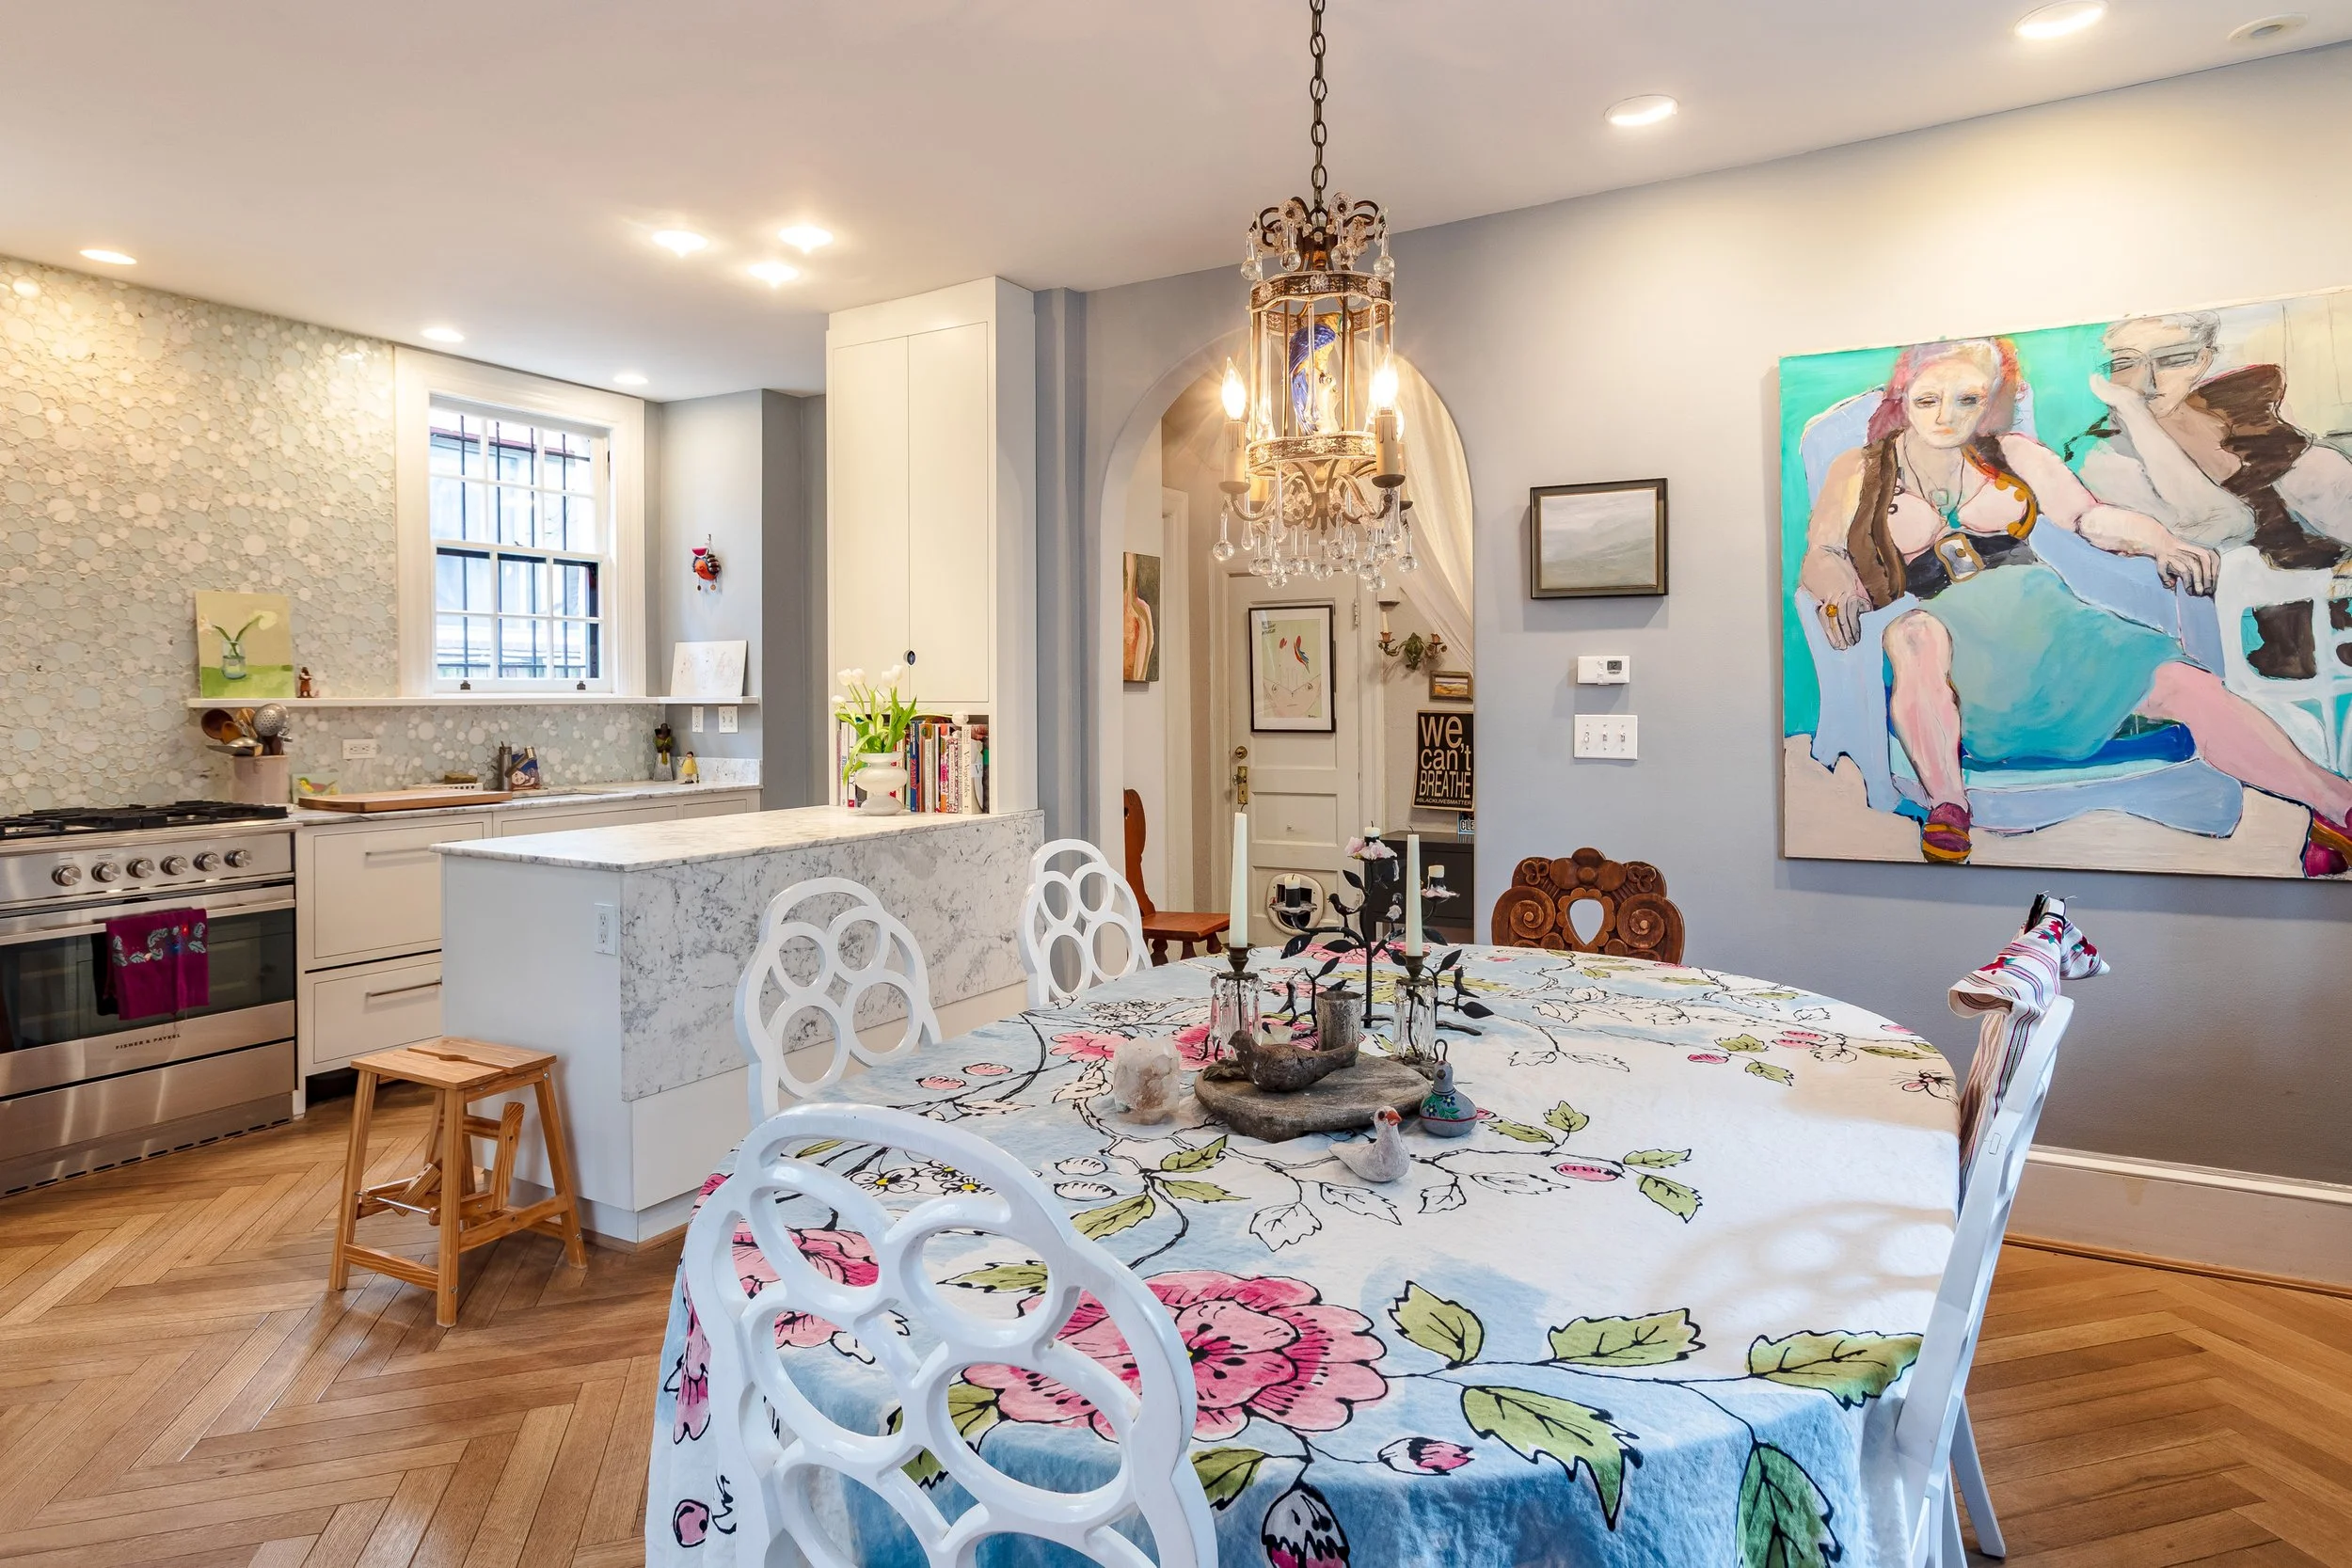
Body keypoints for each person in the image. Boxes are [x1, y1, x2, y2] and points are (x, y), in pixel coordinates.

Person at [1799, 338, 2352, 876]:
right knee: (1913, 631)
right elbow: (1821, 551)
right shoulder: (1862, 467)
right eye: (1928, 399)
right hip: (1947, 634)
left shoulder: (2011, 453)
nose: (1946, 415)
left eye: (1967, 399)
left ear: (1991, 398)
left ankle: (2335, 805)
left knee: (2185, 684)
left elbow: (2090, 518)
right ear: (1903, 396)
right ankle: (1949, 806)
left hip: (2047, 620)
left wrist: (2161, 539)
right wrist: (1840, 584)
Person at [2074, 311, 2352, 678]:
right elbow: (2230, 523)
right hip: (2280, 635)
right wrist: (2134, 414)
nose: (2149, 380)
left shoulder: (2241, 411)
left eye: (2173, 359)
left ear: (2203, 360)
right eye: (2125, 362)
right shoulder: (2104, 453)